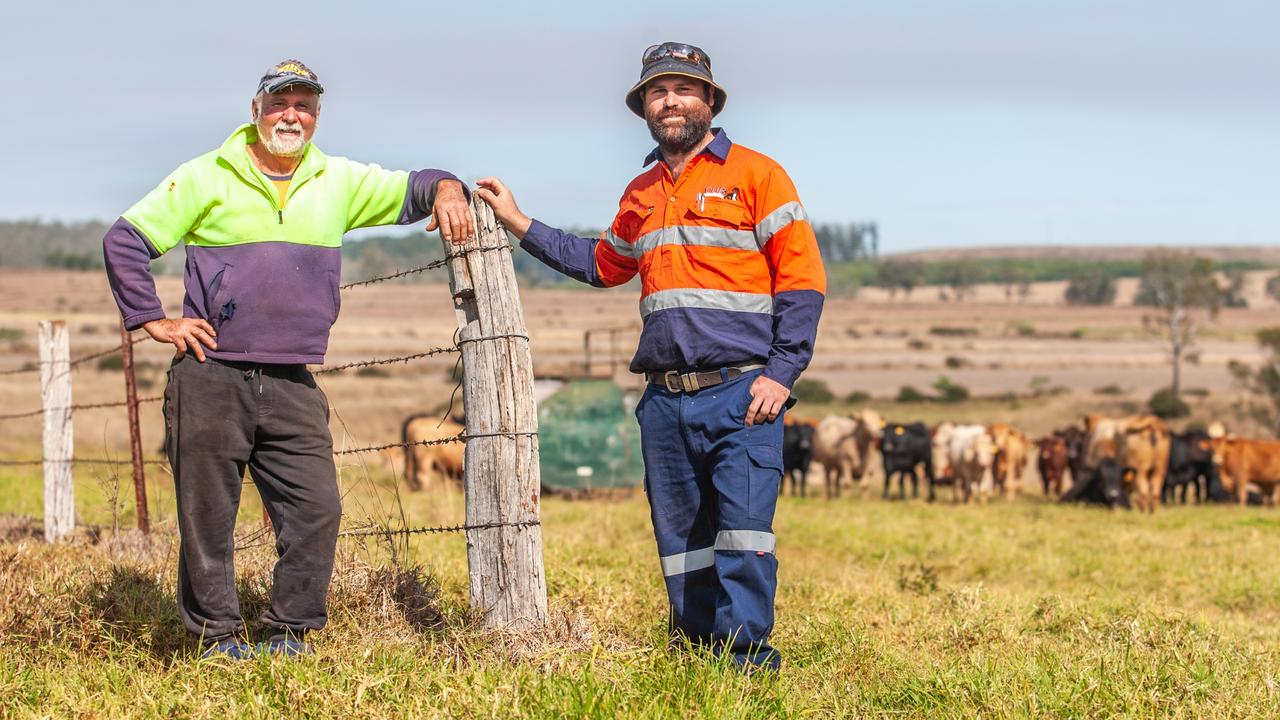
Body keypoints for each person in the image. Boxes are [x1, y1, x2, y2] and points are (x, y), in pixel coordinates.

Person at [102, 59, 473, 659]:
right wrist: (151, 319)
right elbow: (125, 240)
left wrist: (451, 188)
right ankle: (216, 638)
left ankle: (291, 633)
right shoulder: (206, 175)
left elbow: (419, 185)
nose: (291, 114)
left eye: (304, 104)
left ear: (318, 116)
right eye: (280, 102)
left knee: (317, 510)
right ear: (256, 110)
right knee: (207, 519)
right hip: (209, 373)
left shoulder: (339, 181)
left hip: (294, 381)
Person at [474, 42, 825, 671]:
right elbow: (601, 265)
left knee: (743, 536)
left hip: (742, 391)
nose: (672, 101)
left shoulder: (757, 175)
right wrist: (519, 222)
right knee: (682, 540)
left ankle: (745, 664)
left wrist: (781, 373)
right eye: (659, 92)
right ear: (644, 108)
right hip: (664, 401)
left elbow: (802, 283)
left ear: (709, 102)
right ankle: (693, 656)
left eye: (685, 89)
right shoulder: (640, 191)